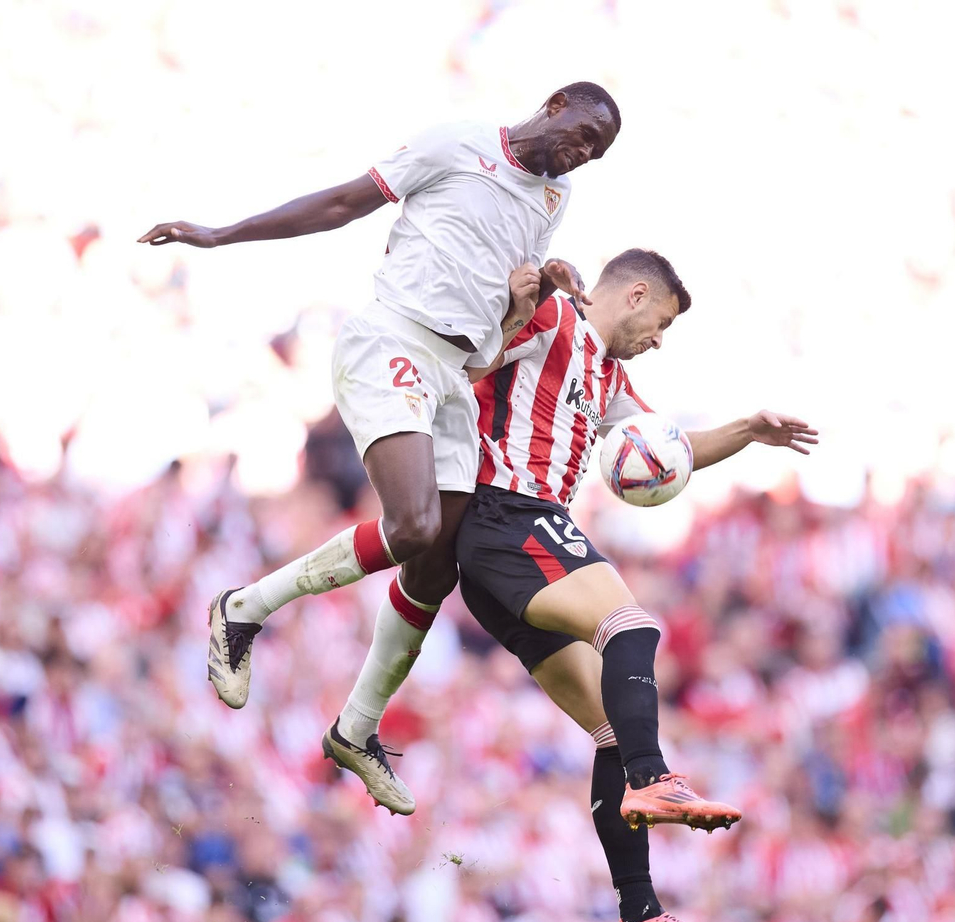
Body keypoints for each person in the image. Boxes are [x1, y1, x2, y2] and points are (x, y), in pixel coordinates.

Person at [139, 84, 622, 814]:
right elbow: (344, 202)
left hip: (456, 371)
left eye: (597, 151)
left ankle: (356, 728)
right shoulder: (458, 142)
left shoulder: (555, 198)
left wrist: (537, 290)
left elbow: (501, 293)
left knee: (436, 562)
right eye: (584, 134)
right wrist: (221, 235)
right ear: (555, 105)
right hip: (394, 339)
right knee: (415, 525)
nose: (584, 154)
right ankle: (244, 606)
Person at [456, 248, 819, 922]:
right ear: (636, 295)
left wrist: (748, 431)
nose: (658, 340)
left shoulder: (607, 376)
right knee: (631, 624)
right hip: (508, 515)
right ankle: (654, 780)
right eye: (661, 324)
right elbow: (468, 364)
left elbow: (671, 449)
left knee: (611, 734)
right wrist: (516, 307)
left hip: (505, 552)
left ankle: (641, 916)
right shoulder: (553, 317)